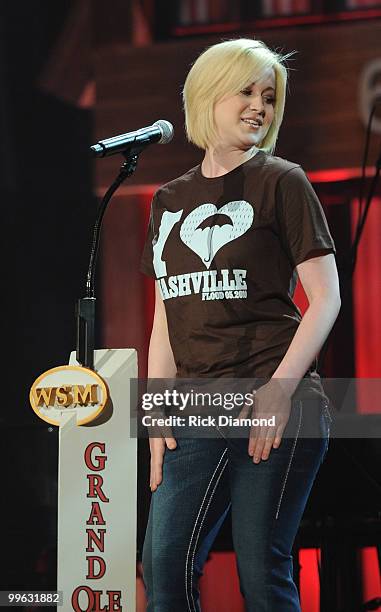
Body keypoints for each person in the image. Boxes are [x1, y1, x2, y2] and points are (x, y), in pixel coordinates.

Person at [139, 38, 341, 612]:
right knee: (163, 568)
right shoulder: (169, 200)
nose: (260, 106)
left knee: (260, 569)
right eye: (247, 92)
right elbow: (166, 317)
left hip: (274, 392)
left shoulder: (283, 181)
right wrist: (157, 418)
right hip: (196, 406)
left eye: (270, 96)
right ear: (208, 96)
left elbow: (326, 299)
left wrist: (280, 392)